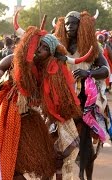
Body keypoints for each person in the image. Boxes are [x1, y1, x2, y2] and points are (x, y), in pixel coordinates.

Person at [0, 25, 90, 179]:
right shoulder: (12, 59)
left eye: (45, 48)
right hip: (4, 117)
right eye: (39, 44)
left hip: (31, 122)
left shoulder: (48, 74)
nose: (39, 49)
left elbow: (57, 104)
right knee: (9, 168)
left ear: (49, 55)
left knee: (42, 169)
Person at [54, 10, 110, 179]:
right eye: (67, 24)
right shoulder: (58, 47)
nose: (70, 26)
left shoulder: (93, 46)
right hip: (63, 98)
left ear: (81, 26)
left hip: (86, 99)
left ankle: (87, 176)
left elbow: (106, 70)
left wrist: (89, 74)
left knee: (86, 141)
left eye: (74, 23)